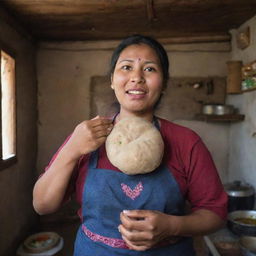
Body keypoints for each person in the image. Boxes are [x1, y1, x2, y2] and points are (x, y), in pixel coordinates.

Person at [33, 34, 228, 255]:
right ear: (112, 80)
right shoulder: (86, 136)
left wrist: (173, 226)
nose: (136, 77)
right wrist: (71, 150)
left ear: (163, 83)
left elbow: (215, 214)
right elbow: (43, 206)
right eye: (126, 67)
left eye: (150, 69)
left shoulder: (186, 141)